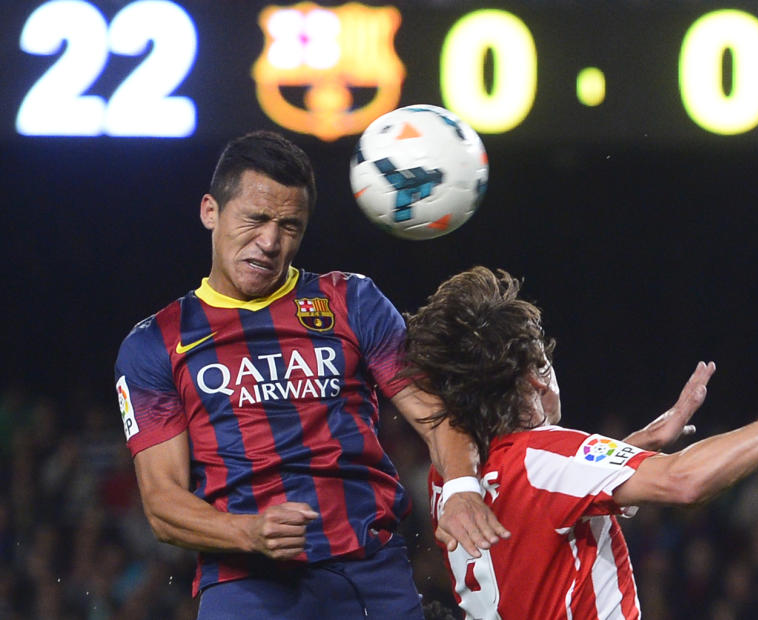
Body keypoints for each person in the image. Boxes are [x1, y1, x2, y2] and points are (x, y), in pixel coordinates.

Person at [113, 131, 506, 619]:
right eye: (255, 219)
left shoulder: (351, 301)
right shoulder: (155, 343)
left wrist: (462, 490)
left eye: (289, 226)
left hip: (370, 572)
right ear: (210, 211)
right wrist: (248, 532)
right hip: (247, 584)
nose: (271, 241)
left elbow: (434, 416)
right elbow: (162, 504)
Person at [400, 266, 758, 620]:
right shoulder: (547, 456)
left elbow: (537, 525)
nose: (550, 375)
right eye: (542, 363)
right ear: (531, 384)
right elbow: (684, 481)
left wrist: (631, 447)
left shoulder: (452, 478)